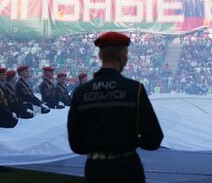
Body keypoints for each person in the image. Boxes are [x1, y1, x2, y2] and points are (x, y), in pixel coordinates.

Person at [67, 32, 164, 183]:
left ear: (100, 55)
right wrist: (131, 140)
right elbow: (153, 139)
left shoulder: (81, 92)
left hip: (95, 169)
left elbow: (76, 144)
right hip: (127, 167)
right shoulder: (134, 90)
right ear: (123, 55)